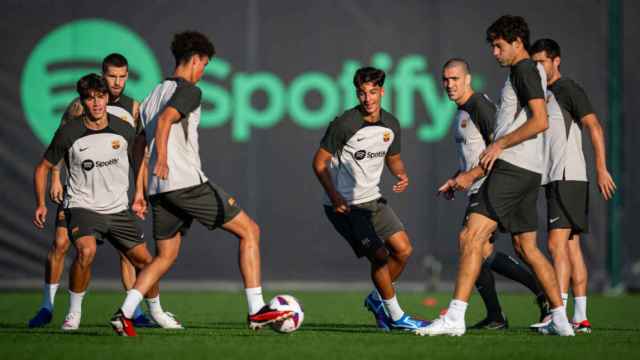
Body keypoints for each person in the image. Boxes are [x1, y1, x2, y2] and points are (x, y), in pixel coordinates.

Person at [109, 31, 290, 337]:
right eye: (204, 64)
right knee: (250, 231)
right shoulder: (189, 90)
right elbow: (166, 121)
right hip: (185, 183)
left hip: (158, 189)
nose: (204, 71)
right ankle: (257, 310)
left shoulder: (154, 93)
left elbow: (138, 143)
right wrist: (164, 158)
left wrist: (139, 190)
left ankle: (124, 313)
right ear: (195, 60)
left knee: (164, 257)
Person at [417, 15, 574, 337]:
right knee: (526, 248)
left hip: (512, 168)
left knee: (469, 238)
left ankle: (455, 317)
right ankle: (560, 320)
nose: (494, 52)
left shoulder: (525, 69)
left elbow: (540, 121)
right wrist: (462, 174)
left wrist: (495, 149)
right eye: (492, 45)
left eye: (498, 45)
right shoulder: (519, 74)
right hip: (525, 169)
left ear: (517, 43)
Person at [28, 54, 158, 329]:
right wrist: (55, 177)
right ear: (103, 74)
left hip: (113, 197)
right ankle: (48, 307)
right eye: (112, 76)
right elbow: (61, 143)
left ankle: (133, 312)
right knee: (62, 245)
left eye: (122, 76)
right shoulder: (78, 107)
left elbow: (139, 154)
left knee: (129, 254)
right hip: (79, 193)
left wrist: (139, 193)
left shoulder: (132, 109)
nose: (117, 82)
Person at [438, 58, 550, 330]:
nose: (449, 84)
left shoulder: (479, 106)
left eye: (455, 79)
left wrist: (472, 176)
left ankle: (518, 305)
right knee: (498, 250)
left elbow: (500, 149)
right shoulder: (463, 110)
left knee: (470, 245)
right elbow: (477, 153)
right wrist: (457, 177)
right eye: (446, 79)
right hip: (481, 184)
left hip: (493, 186)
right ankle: (506, 311)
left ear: (468, 79)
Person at [312, 66, 427, 332]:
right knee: (379, 255)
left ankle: (378, 301)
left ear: (382, 92)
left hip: (373, 201)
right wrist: (334, 195)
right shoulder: (344, 124)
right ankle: (397, 317)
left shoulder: (392, 124)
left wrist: (401, 174)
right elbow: (319, 163)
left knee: (404, 250)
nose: (368, 99)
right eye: (362, 93)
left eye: (373, 92)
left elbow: (393, 157)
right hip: (346, 206)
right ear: (357, 94)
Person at [531, 38, 617, 333]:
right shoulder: (543, 95)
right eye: (534, 63)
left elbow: (594, 125)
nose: (537, 67)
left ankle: (558, 316)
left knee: (556, 246)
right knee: (570, 247)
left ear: (556, 61)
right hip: (557, 178)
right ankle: (580, 317)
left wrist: (601, 167)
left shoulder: (568, 89)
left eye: (542, 62)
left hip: (568, 177)